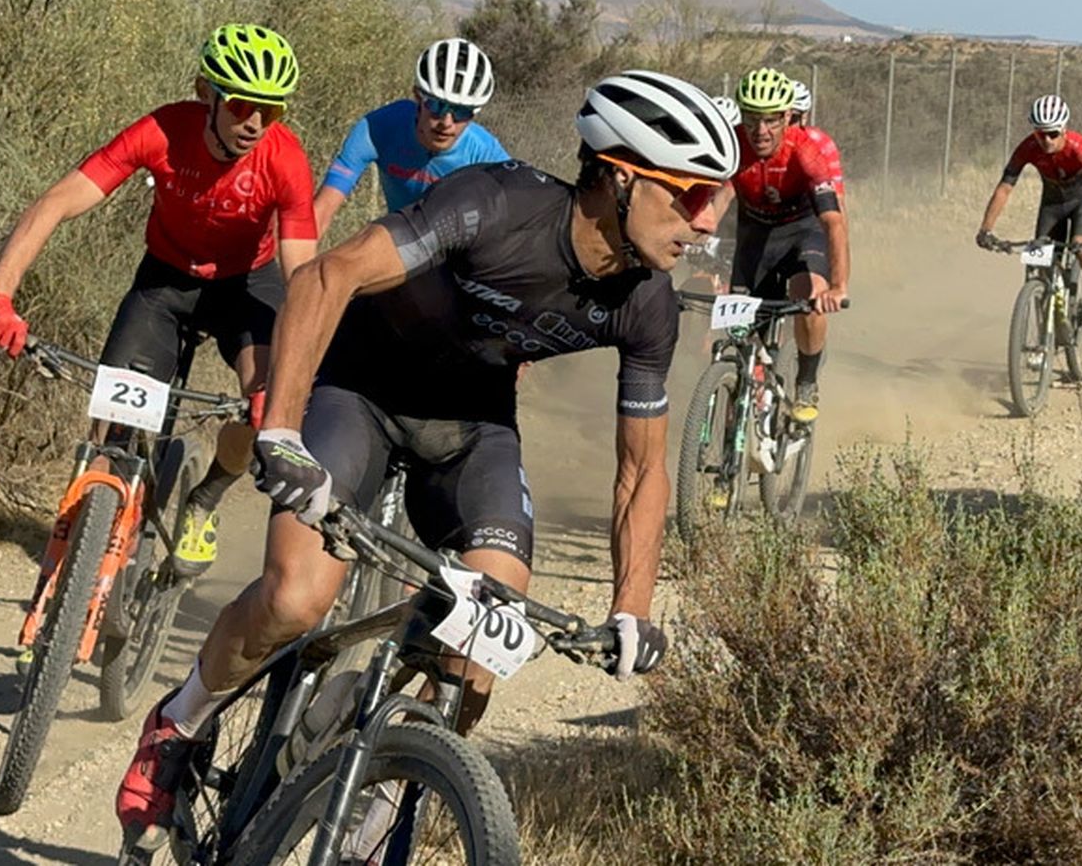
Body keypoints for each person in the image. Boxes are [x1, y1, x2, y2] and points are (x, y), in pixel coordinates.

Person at [115, 69, 738, 846]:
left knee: (490, 622)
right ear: (619, 175)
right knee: (298, 600)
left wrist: (632, 609)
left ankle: (378, 807)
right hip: (360, 394)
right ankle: (180, 721)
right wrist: (277, 431)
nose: (707, 221)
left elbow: (643, 468)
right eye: (690, 193)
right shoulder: (495, 202)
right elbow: (327, 275)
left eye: (719, 198)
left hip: (471, 428)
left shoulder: (647, 302)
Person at [0, 24, 319, 581]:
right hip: (165, 283)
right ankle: (70, 577)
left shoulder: (284, 159)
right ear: (205, 94)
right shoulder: (161, 130)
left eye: (270, 110)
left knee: (265, 403)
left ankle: (205, 497)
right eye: (240, 105)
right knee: (110, 428)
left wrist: (289, 381)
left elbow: (302, 275)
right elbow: (59, 201)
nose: (254, 122)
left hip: (246, 286)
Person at [709, 67, 851, 423]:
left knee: (809, 296)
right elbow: (714, 200)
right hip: (755, 238)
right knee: (740, 333)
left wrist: (838, 285)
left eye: (771, 121)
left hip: (803, 234)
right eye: (753, 120)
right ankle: (740, 406)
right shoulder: (734, 147)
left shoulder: (805, 151)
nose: (761, 131)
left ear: (788, 116)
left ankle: (806, 380)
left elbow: (834, 223)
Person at [312, 37, 509, 238]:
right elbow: (321, 213)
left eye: (461, 112)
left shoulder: (486, 154)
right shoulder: (378, 127)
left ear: (474, 114)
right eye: (437, 106)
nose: (446, 122)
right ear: (417, 96)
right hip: (400, 244)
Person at [976, 94, 1082, 318]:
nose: (1047, 140)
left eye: (1053, 133)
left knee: (1080, 246)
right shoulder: (1028, 147)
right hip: (1052, 204)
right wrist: (986, 229)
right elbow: (1004, 188)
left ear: (1064, 129)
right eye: (1041, 133)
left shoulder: (1080, 148)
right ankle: (1041, 336)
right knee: (1038, 260)